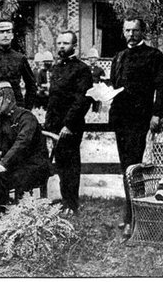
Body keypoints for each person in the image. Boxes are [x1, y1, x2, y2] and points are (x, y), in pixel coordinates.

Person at [109, 17, 163, 239]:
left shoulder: (153, 56)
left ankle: (134, 218)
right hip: (121, 120)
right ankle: (130, 213)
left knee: (134, 168)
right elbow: (115, 86)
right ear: (123, 31)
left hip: (140, 120)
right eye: (127, 30)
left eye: (135, 30)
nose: (131, 34)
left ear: (142, 32)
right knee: (125, 168)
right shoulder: (119, 56)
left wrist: (157, 113)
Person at [0, 82, 50, 224]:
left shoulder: (27, 118)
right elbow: (1, 145)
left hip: (34, 166)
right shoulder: (2, 118)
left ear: (8, 99)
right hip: (15, 164)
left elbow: (21, 144)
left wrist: (2, 164)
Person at [44, 31, 93, 216]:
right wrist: (49, 125)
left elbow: (82, 100)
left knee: (71, 165)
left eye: (66, 43)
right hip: (55, 125)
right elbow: (53, 99)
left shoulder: (82, 69)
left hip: (71, 126)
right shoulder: (56, 68)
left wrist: (69, 125)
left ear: (74, 46)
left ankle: (71, 204)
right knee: (61, 164)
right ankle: (65, 201)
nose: (61, 46)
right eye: (59, 43)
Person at [0, 18, 37, 136]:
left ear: (12, 35)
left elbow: (31, 85)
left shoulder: (20, 58)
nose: (5, 35)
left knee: (17, 143)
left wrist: (26, 109)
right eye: (1, 32)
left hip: (16, 110)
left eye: (8, 32)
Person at [86, 47, 106, 112]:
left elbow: (103, 81)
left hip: (96, 88)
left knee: (96, 102)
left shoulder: (99, 69)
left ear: (96, 59)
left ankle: (96, 113)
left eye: (93, 58)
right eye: (90, 58)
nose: (91, 59)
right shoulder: (86, 68)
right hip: (88, 88)